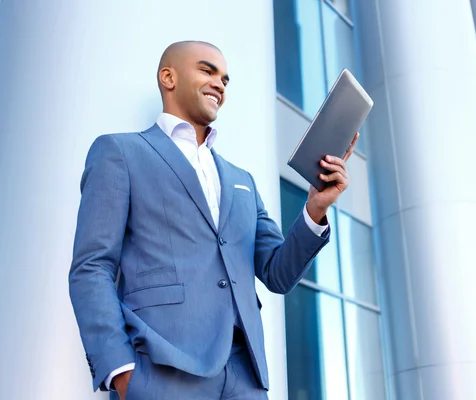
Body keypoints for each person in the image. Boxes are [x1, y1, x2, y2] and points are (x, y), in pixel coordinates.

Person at [68, 40, 358, 400]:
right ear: (168, 77)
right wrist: (120, 370)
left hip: (244, 378)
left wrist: (316, 209)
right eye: (207, 70)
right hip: (162, 370)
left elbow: (277, 274)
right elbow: (92, 267)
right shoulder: (120, 152)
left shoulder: (242, 180)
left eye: (225, 78)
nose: (220, 83)